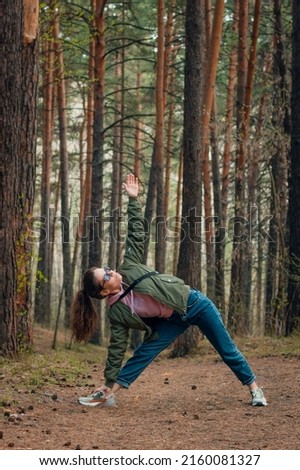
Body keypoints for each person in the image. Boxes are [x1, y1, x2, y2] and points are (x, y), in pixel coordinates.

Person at [71, 174, 267, 408]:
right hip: (171, 320)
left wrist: (133, 200)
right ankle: (107, 393)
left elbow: (136, 236)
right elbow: (117, 348)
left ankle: (255, 390)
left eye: (106, 269)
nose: (110, 271)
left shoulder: (129, 267)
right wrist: (109, 379)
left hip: (193, 303)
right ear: (103, 292)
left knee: (226, 349)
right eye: (106, 276)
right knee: (142, 354)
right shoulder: (117, 312)